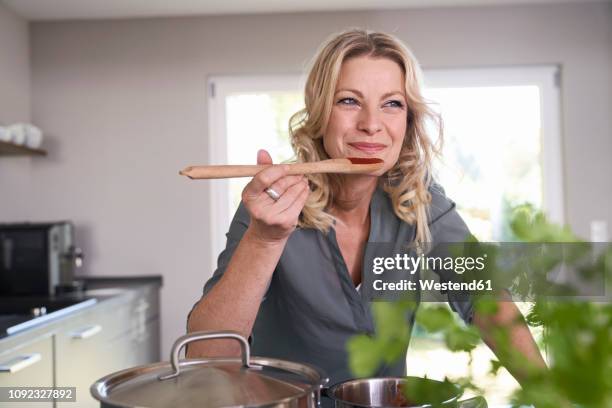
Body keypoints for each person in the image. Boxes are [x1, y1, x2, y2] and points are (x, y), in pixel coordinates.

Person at [187, 29, 546, 389]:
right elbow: (207, 354)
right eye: (348, 101)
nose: (371, 125)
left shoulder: (419, 199)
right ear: (320, 113)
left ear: (408, 122)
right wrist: (264, 241)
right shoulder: (272, 205)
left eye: (392, 104)